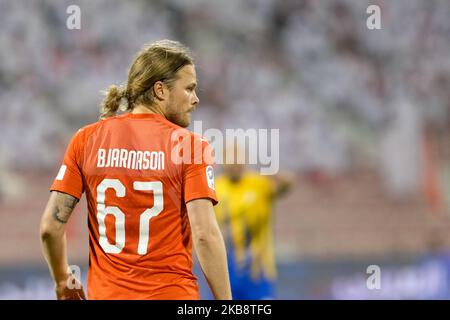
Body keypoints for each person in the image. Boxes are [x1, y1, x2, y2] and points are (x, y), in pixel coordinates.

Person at [39, 40, 231, 300]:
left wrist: (62, 281)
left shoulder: (86, 140)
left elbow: (50, 227)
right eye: (189, 89)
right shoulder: (190, 147)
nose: (196, 99)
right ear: (160, 90)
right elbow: (205, 236)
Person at [213, 144, 292, 300]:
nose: (234, 164)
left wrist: (279, 176)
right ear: (223, 163)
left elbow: (286, 186)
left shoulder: (258, 183)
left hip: (258, 268)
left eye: (237, 160)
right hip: (225, 269)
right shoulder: (216, 186)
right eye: (230, 160)